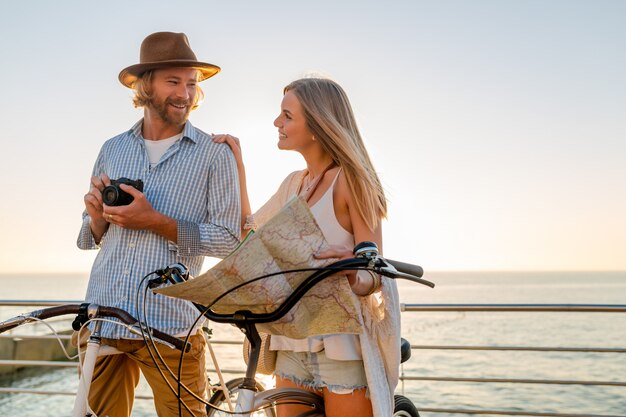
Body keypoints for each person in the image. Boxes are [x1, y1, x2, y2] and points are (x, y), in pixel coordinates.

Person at [213, 77, 400, 417]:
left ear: (316, 125)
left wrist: (354, 268)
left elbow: (373, 274)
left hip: (341, 348)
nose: (276, 123)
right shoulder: (294, 185)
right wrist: (237, 167)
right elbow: (249, 237)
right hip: (291, 344)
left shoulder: (352, 181)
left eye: (286, 115)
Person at [77, 32, 241, 417]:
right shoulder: (111, 148)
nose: (185, 93)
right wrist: (98, 218)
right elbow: (89, 236)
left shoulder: (214, 155)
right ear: (144, 84)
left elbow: (229, 241)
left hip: (172, 326)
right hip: (105, 318)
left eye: (192, 83)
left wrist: (155, 221)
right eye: (173, 81)